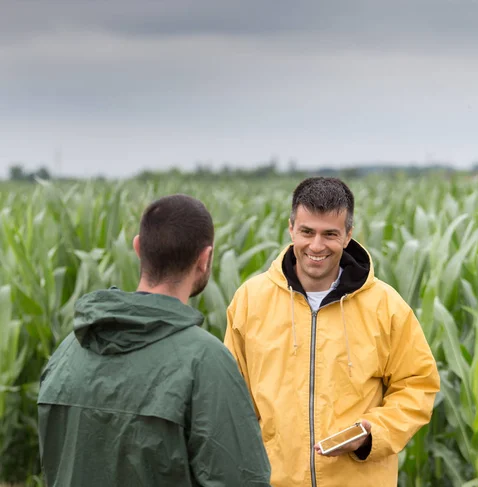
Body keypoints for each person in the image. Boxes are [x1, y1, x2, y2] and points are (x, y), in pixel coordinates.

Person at [38, 194, 271, 487]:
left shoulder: (69, 349)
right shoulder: (205, 361)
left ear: (138, 248)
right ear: (204, 259)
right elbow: (240, 479)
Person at [225, 177, 440, 487]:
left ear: (348, 235)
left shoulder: (386, 305)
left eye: (330, 234)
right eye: (307, 232)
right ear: (291, 228)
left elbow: (418, 386)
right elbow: (232, 399)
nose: (316, 246)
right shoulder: (249, 301)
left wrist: (370, 434)